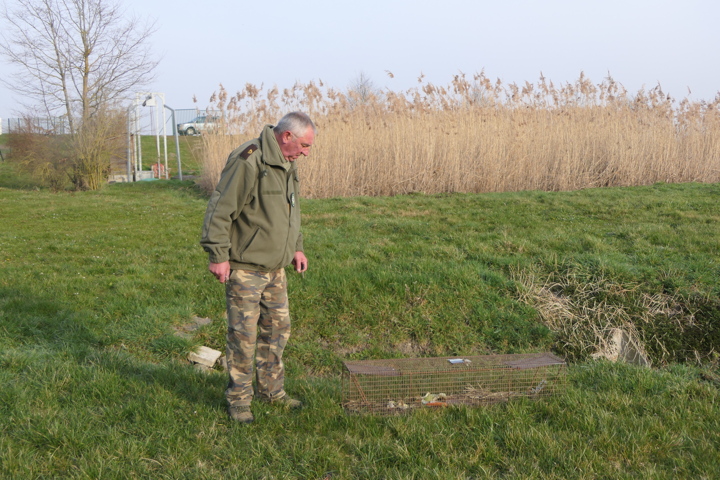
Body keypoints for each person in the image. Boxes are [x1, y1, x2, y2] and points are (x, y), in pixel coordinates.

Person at [200, 111, 315, 424]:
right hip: (246, 268)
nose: (305, 152)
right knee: (243, 337)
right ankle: (239, 400)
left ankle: (271, 391)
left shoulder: (288, 162)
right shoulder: (249, 159)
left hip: (276, 268)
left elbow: (292, 210)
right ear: (286, 136)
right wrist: (217, 254)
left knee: (278, 330)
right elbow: (220, 208)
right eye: (304, 145)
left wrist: (297, 246)